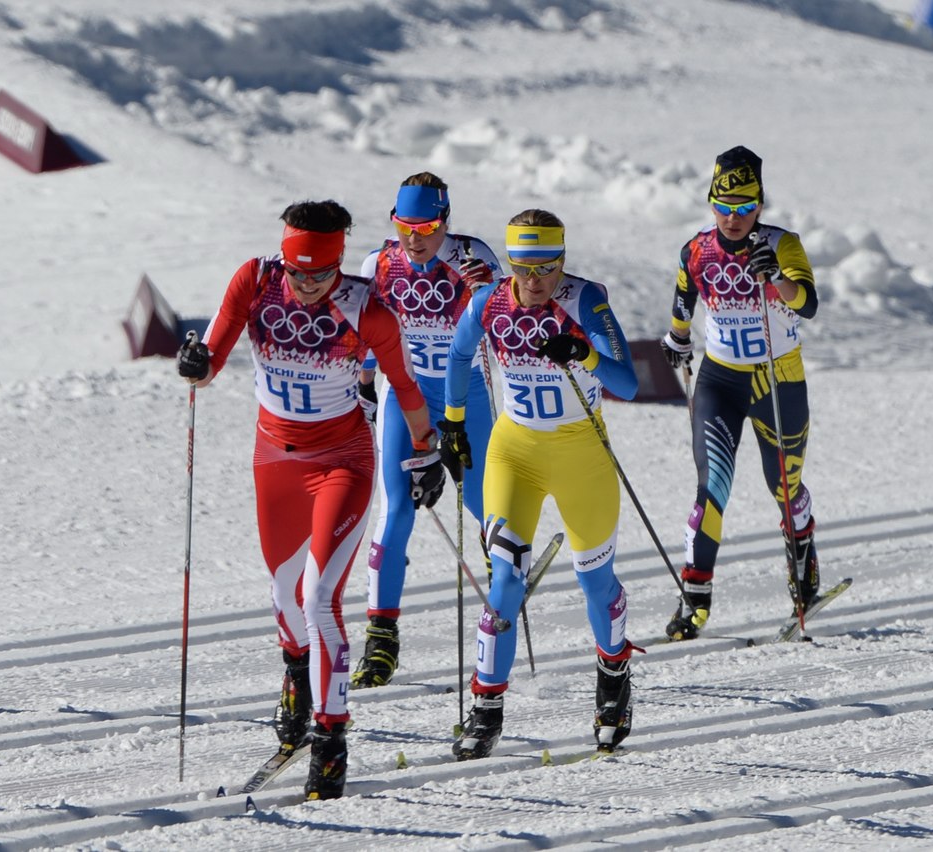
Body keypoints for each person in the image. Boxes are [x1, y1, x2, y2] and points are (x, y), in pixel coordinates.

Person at [175, 200, 445, 800]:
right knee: (281, 592)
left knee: (320, 596)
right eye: (296, 274)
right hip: (273, 459)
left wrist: (426, 453)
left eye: (317, 276)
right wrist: (194, 364)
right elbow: (210, 362)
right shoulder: (256, 279)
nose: (304, 287)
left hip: (341, 462)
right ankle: (297, 679)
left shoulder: (365, 309)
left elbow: (404, 386)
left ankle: (330, 738)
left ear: (338, 261)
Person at [438, 209, 640, 760]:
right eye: (523, 267)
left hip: (582, 456)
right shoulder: (489, 303)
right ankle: (486, 709)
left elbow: (628, 382)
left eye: (546, 267)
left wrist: (584, 350)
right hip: (515, 453)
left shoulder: (585, 301)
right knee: (504, 580)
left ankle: (613, 675)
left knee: (595, 584)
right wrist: (453, 423)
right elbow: (458, 356)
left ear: (562, 262)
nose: (534, 280)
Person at [659, 145, 821, 641]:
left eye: (744, 208)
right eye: (724, 208)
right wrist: (677, 338)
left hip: (779, 378)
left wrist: (775, 280)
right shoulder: (697, 248)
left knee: (785, 488)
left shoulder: (782, 244)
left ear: (760, 207)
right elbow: (685, 294)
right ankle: (695, 598)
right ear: (712, 204)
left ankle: (803, 564)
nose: (734, 219)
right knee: (713, 489)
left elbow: (808, 304)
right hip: (721, 380)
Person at [351, 172, 503, 689]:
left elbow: (502, 326)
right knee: (395, 508)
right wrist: (366, 387)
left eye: (427, 226)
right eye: (403, 225)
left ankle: (503, 587)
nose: (414, 238)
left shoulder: (472, 256)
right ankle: (381, 637)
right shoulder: (380, 264)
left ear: (446, 222)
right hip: (407, 396)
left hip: (469, 398)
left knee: (483, 503)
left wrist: (486, 291)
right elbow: (370, 330)